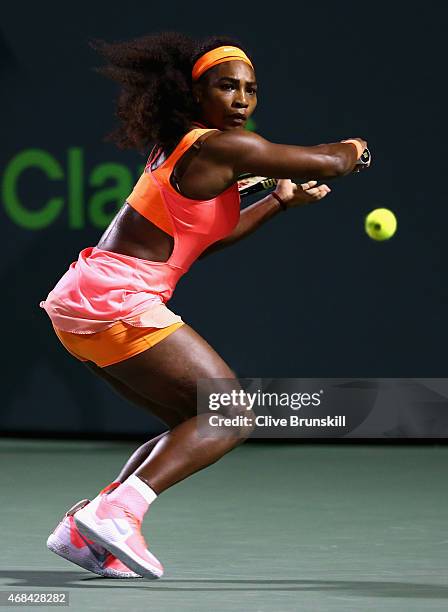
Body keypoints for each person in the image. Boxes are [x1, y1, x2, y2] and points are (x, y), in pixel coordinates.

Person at [42, 32, 368, 580]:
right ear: (196, 95)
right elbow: (327, 162)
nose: (241, 100)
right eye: (227, 87)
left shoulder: (182, 149)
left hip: (87, 299)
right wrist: (354, 151)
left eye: (251, 90)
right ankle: (116, 512)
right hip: (116, 299)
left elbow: (204, 240)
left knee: (191, 420)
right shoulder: (219, 147)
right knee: (232, 412)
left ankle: (83, 530)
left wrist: (279, 200)